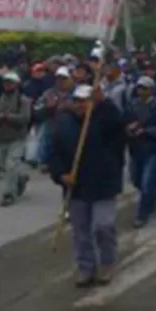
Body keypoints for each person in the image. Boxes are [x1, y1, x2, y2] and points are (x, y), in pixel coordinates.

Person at [49, 84, 125, 286]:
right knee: (81, 230)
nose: (80, 105)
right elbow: (54, 153)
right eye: (77, 101)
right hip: (77, 187)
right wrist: (60, 175)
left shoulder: (104, 119)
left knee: (103, 226)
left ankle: (107, 263)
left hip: (103, 183)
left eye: (84, 100)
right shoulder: (64, 123)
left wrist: (104, 102)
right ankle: (86, 267)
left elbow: (117, 124)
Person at [125, 76, 156, 228]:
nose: (141, 91)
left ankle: (143, 214)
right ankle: (152, 197)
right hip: (136, 149)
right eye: (139, 87)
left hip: (154, 149)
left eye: (145, 88)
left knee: (147, 182)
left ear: (152, 90)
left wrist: (146, 131)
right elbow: (125, 120)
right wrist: (129, 129)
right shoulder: (132, 105)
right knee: (136, 180)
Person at [0, 71, 32, 206]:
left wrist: (8, 117)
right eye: (6, 82)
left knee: (11, 164)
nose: (8, 85)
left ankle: (9, 194)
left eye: (11, 82)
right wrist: (0, 117)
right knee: (2, 165)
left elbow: (25, 118)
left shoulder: (23, 101)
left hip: (17, 138)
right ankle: (21, 178)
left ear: (17, 84)